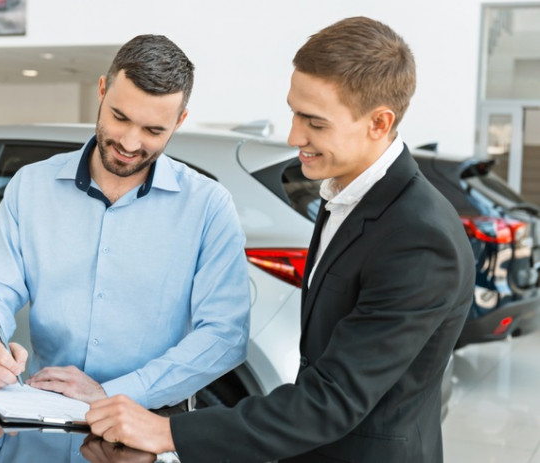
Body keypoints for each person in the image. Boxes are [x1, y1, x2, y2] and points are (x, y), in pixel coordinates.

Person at [86, 16, 475, 462]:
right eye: (294, 111)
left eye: (314, 122)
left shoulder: (419, 237)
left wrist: (168, 432)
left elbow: (332, 399)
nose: (294, 136)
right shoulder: (345, 196)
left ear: (379, 123)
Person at [0, 34, 251, 412]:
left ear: (179, 121)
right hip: (45, 409)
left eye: (153, 131)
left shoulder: (209, 205)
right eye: (120, 117)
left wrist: (113, 394)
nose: (130, 143)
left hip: (150, 415)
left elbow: (225, 334)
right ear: (102, 89)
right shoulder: (30, 187)